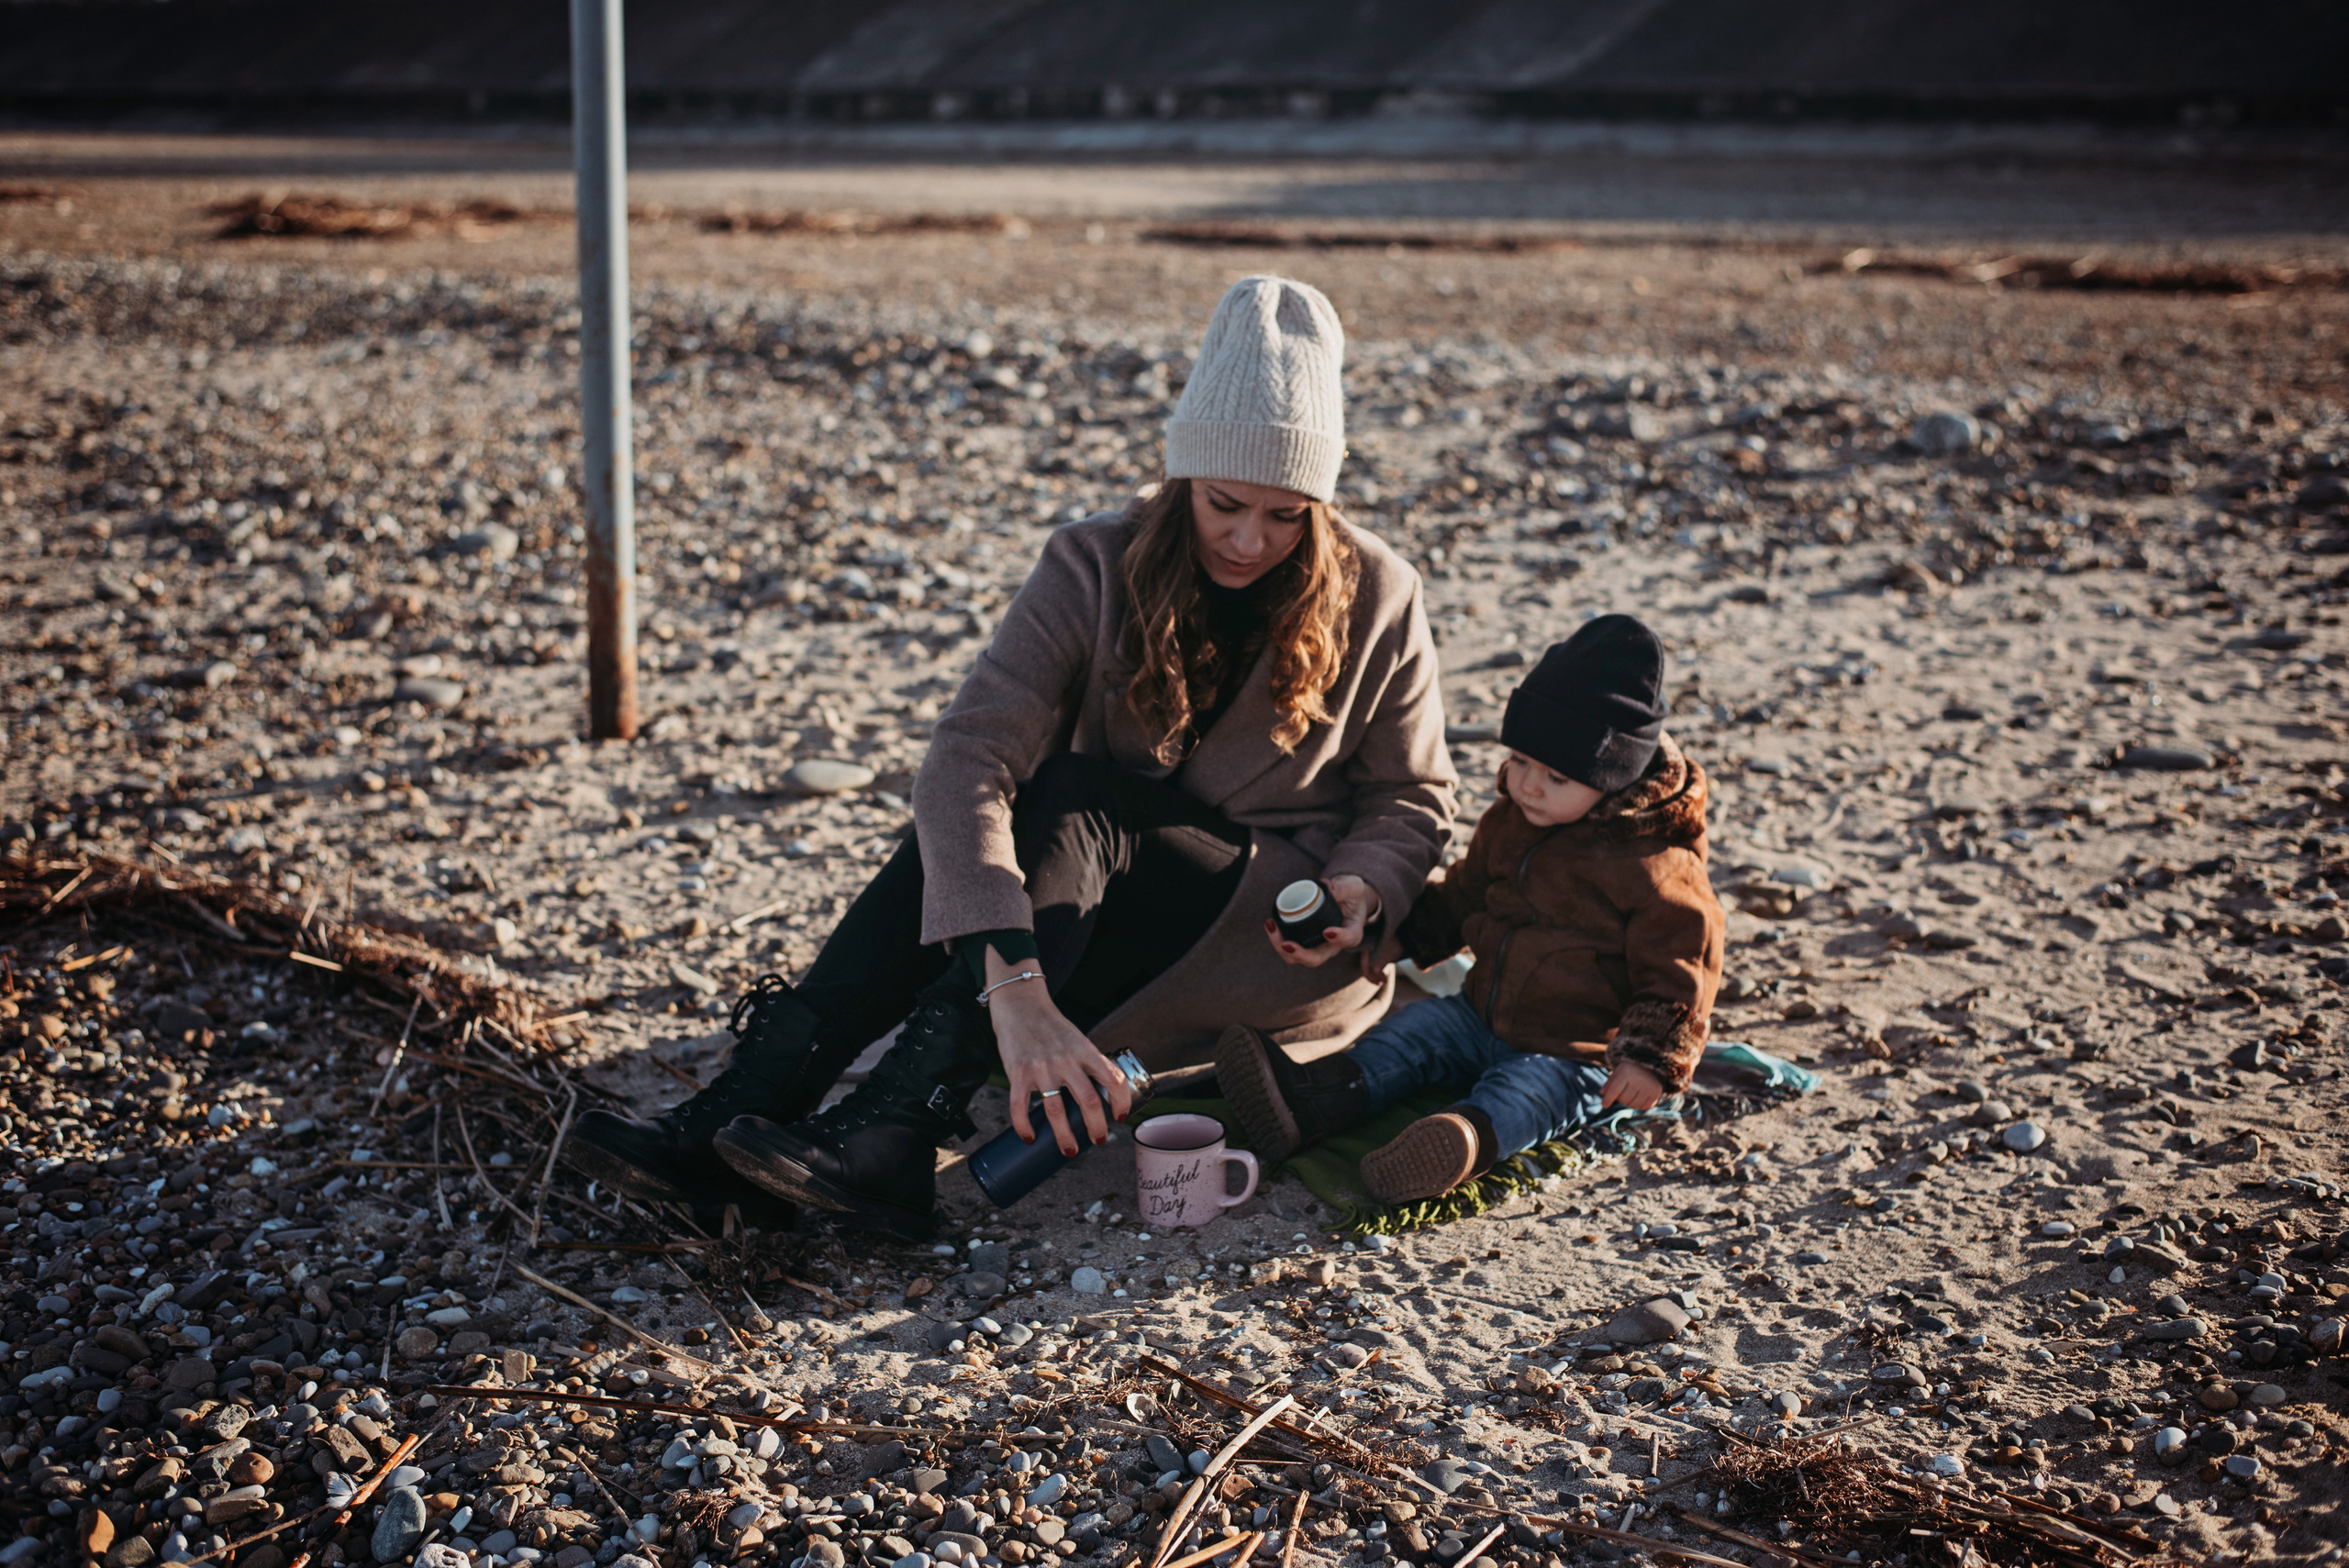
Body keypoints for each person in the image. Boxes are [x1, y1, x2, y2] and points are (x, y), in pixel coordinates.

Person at [569, 275, 1457, 1240]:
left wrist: (1362, 893)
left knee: (1073, 795)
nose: (1251, 539)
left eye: (1288, 515)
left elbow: (1411, 793)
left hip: (1260, 936)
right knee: (969, 825)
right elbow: (965, 758)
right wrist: (1017, 988)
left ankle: (899, 1123)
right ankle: (757, 1098)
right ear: (1182, 478)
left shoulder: (1380, 591)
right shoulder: (1092, 561)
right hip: (1085, 905)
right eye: (1225, 503)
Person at [1214, 614, 1724, 1204]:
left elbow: (1683, 971)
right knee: (1409, 1035)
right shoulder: (1512, 820)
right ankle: (1315, 1097)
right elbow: (1465, 892)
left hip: (1571, 1049)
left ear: (1614, 778)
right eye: (1521, 761)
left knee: (1526, 1097)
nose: (1529, 785)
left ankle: (1458, 1143)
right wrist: (1403, 938)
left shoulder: (1657, 866)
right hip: (1478, 1012)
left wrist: (1650, 1061)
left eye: (1557, 777)